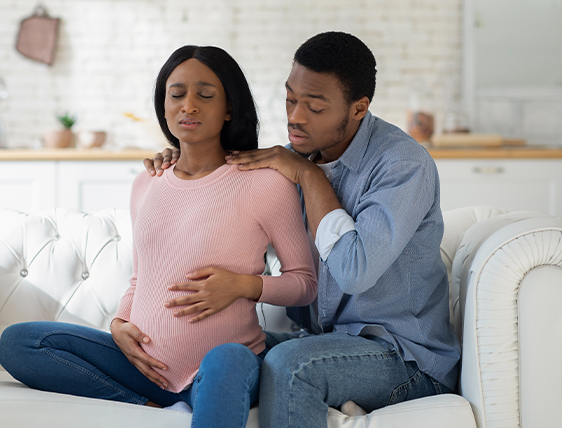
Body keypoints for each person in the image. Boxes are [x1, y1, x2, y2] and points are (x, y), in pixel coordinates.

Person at [144, 32, 461, 428]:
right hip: (318, 342)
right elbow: (233, 214)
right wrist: (183, 158)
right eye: (291, 99)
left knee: (290, 365)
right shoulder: (293, 158)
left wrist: (310, 177)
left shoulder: (402, 165)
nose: (295, 116)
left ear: (359, 108)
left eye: (314, 106)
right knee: (227, 354)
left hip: (403, 358)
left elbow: (354, 270)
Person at [0, 45, 317, 428]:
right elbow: (141, 279)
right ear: (163, 107)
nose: (189, 106)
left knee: (229, 359)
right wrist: (119, 323)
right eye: (177, 94)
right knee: (19, 342)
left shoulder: (265, 184)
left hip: (218, 368)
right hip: (143, 366)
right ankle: (144, 404)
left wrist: (243, 285)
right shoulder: (147, 182)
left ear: (229, 107)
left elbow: (305, 283)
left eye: (206, 95)